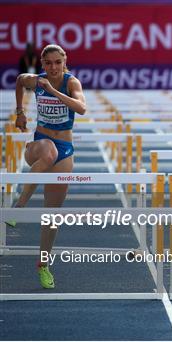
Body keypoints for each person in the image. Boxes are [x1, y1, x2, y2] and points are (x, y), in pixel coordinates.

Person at [13, 44, 87, 288]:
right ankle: (19, 206)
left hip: (65, 150)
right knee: (48, 150)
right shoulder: (35, 80)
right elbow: (19, 81)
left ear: (64, 62)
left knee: (52, 216)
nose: (53, 67)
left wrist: (53, 92)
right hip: (38, 146)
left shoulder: (71, 83)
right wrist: (20, 112)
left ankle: (43, 265)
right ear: (42, 64)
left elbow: (82, 108)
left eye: (58, 62)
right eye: (48, 63)